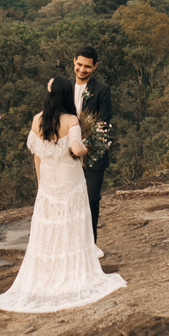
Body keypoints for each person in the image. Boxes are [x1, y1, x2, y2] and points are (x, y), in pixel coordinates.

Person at [0, 77, 124, 313]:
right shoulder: (71, 120)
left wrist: (41, 183)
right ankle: (72, 270)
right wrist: (87, 147)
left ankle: (48, 272)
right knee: (71, 224)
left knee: (49, 227)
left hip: (48, 184)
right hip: (70, 181)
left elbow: (37, 155)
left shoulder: (37, 120)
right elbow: (75, 149)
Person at [73, 45, 112, 245]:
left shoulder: (102, 90)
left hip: (94, 154)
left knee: (91, 199)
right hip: (69, 155)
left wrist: (84, 146)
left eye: (87, 66)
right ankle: (73, 243)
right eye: (79, 64)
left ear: (94, 67)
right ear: (74, 62)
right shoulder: (65, 87)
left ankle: (91, 244)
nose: (82, 69)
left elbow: (103, 122)